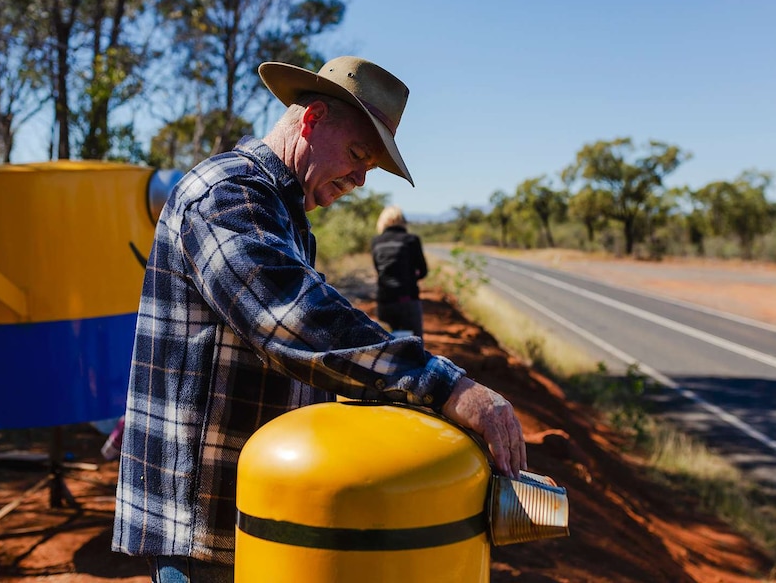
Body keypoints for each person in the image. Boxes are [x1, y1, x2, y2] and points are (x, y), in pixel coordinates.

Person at [112, 56, 527, 582]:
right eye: (357, 155)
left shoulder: (282, 212)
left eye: (370, 168)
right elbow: (291, 320)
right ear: (311, 119)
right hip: (204, 519)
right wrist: (445, 387)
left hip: (259, 513)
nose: (359, 178)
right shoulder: (226, 195)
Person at [372, 205, 428, 337]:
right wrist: (411, 278)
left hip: (384, 301)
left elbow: (378, 269)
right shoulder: (411, 240)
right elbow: (423, 271)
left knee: (388, 346)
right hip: (407, 299)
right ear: (402, 221)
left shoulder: (376, 241)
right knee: (414, 344)